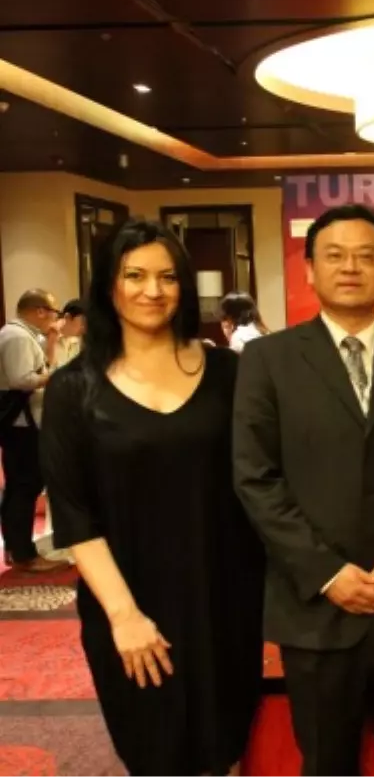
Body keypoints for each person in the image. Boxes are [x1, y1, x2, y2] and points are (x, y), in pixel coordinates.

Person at [233, 204, 374, 777]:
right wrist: (328, 573)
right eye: (334, 256)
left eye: (366, 256)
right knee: (327, 763)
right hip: (316, 609)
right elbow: (256, 477)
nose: (350, 267)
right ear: (310, 269)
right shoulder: (267, 360)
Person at [39, 219, 264, 776]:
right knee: (155, 753)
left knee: (224, 748)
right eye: (134, 275)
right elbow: (74, 515)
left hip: (224, 598)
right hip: (128, 598)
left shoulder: (229, 372)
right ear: (108, 285)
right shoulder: (74, 388)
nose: (152, 290)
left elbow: (260, 481)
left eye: (167, 276)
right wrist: (124, 617)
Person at [0, 288, 66, 572]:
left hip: (23, 424)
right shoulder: (16, 336)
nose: (55, 317)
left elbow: (38, 368)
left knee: (21, 486)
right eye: (54, 312)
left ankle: (17, 549)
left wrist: (50, 345)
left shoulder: (24, 335)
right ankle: (23, 554)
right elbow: (21, 379)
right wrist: (57, 376)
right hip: (21, 425)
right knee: (24, 487)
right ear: (40, 311)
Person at [54, 299, 86, 366]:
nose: (84, 327)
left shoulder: (79, 341)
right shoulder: (48, 339)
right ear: (67, 317)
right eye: (83, 322)